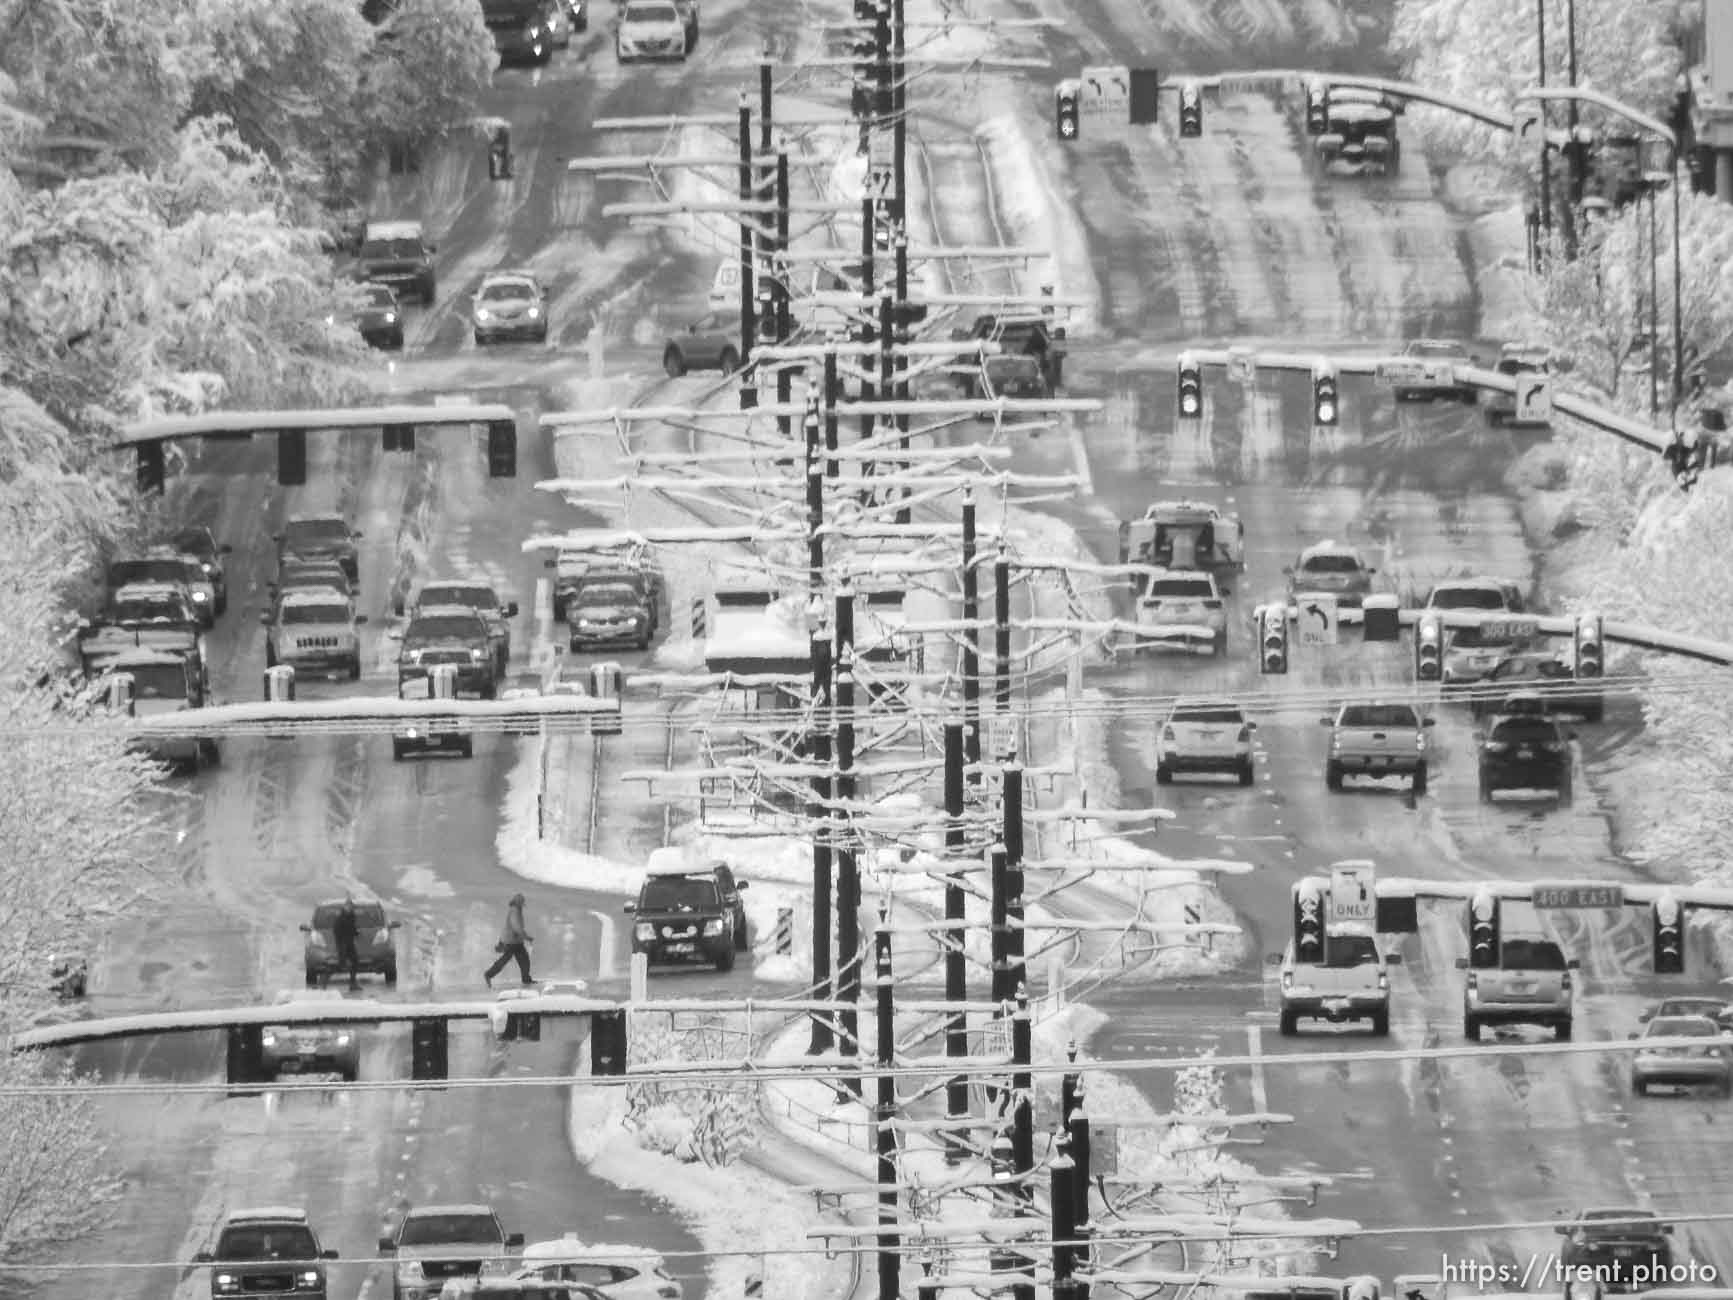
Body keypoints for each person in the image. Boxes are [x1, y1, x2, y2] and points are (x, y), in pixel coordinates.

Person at [485, 892, 533, 987]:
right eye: (521, 903)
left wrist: (524, 936)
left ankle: (526, 979)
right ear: (518, 903)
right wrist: (526, 937)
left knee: (523, 959)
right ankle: (488, 974)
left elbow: (518, 927)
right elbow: (516, 927)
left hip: (515, 941)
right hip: (510, 941)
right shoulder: (514, 911)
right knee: (507, 959)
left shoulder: (516, 910)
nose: (522, 905)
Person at [332, 896, 361, 990]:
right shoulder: (340, 918)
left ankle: (353, 983)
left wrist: (356, 933)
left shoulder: (351, 916)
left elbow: (351, 928)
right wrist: (341, 942)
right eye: (348, 907)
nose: (350, 908)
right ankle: (323, 982)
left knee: (355, 961)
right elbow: (336, 931)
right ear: (345, 907)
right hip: (342, 944)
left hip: (349, 943)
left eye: (351, 907)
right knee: (340, 965)